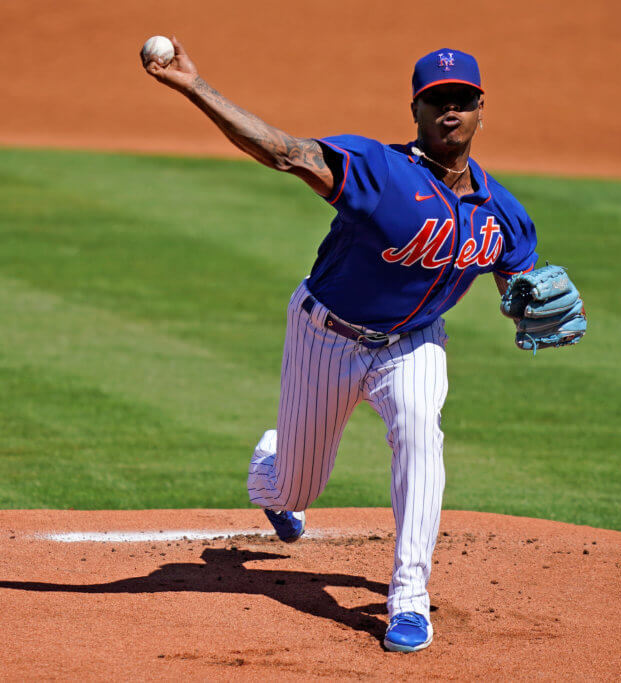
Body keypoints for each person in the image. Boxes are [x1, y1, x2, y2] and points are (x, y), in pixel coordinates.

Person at [143, 42, 549, 653]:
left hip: (413, 345)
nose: (450, 112)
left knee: (419, 427)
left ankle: (409, 599)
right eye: (436, 101)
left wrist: (524, 301)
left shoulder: (504, 214)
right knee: (296, 490)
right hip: (324, 334)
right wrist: (196, 87)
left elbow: (515, 281)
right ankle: (271, 469)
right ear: (415, 109)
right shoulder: (378, 170)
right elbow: (284, 153)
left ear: (480, 108)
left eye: (461, 101)